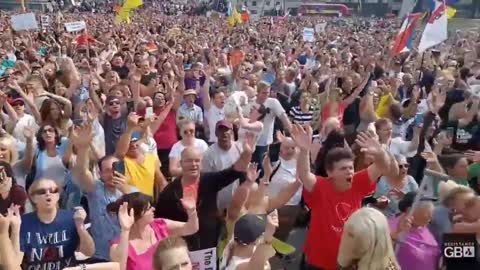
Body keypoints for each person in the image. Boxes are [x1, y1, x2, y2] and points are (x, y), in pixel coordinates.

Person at [291, 124, 394, 269]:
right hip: (317, 262)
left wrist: (380, 154)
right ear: (329, 172)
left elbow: (382, 167)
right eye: (343, 168)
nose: (349, 172)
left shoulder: (358, 183)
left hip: (346, 262)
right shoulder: (320, 187)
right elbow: (304, 174)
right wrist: (303, 150)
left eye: (351, 168)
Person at [154, 132, 255, 260]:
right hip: (184, 250)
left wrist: (247, 153)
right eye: (189, 161)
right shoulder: (170, 192)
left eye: (197, 161)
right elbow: (159, 224)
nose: (194, 164)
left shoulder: (209, 180)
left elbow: (236, 169)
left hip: (210, 245)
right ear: (181, 163)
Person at [71, 124, 138, 262]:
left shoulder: (133, 192)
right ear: (100, 174)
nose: (112, 174)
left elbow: (144, 216)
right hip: (100, 256)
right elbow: (82, 172)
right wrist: (83, 148)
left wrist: (126, 190)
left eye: (115, 169)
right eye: (107, 170)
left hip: (127, 255)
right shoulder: (95, 188)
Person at [108, 192, 198, 270]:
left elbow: (191, 228)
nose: (153, 209)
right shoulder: (119, 245)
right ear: (136, 215)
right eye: (148, 208)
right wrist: (125, 229)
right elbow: (119, 268)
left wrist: (192, 211)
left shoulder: (160, 225)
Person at [20, 179, 95, 269]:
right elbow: (16, 260)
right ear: (33, 198)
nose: (48, 194)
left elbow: (88, 252)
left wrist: (80, 226)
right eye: (42, 191)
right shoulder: (23, 222)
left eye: (53, 191)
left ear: (58, 195)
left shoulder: (71, 218)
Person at [115, 113, 167, 197]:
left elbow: (162, 182)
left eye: (135, 141)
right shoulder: (120, 161)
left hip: (148, 207)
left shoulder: (151, 158)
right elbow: (120, 153)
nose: (133, 145)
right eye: (129, 143)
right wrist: (129, 129)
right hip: (128, 206)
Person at [389, 192, 440, 270]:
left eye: (431, 214)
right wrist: (398, 234)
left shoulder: (423, 227)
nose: (430, 219)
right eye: (428, 215)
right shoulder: (391, 227)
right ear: (410, 210)